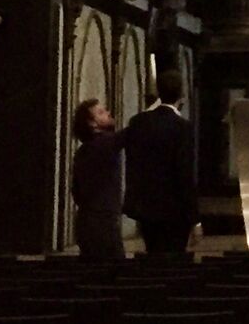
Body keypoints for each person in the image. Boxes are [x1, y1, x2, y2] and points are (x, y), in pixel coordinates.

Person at [123, 70, 199, 255]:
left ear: (158, 92)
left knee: (152, 253)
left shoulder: (139, 122)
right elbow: (184, 174)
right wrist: (194, 218)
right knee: (174, 258)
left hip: (146, 207)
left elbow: (133, 164)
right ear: (181, 96)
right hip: (175, 211)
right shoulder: (183, 128)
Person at [71, 98, 126, 261]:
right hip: (104, 223)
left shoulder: (82, 151)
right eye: (101, 112)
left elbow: (76, 190)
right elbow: (133, 132)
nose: (108, 113)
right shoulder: (105, 143)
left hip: (85, 220)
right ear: (92, 124)